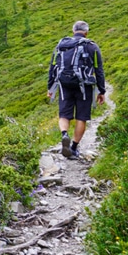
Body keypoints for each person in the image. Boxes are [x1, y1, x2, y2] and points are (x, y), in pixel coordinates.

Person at [47, 20, 105, 159]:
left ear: (73, 31)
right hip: (84, 86)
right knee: (81, 117)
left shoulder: (61, 45)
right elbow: (99, 70)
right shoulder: (92, 46)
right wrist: (101, 91)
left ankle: (64, 134)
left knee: (64, 114)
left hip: (64, 85)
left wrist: (50, 88)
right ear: (86, 32)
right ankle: (73, 148)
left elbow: (52, 67)